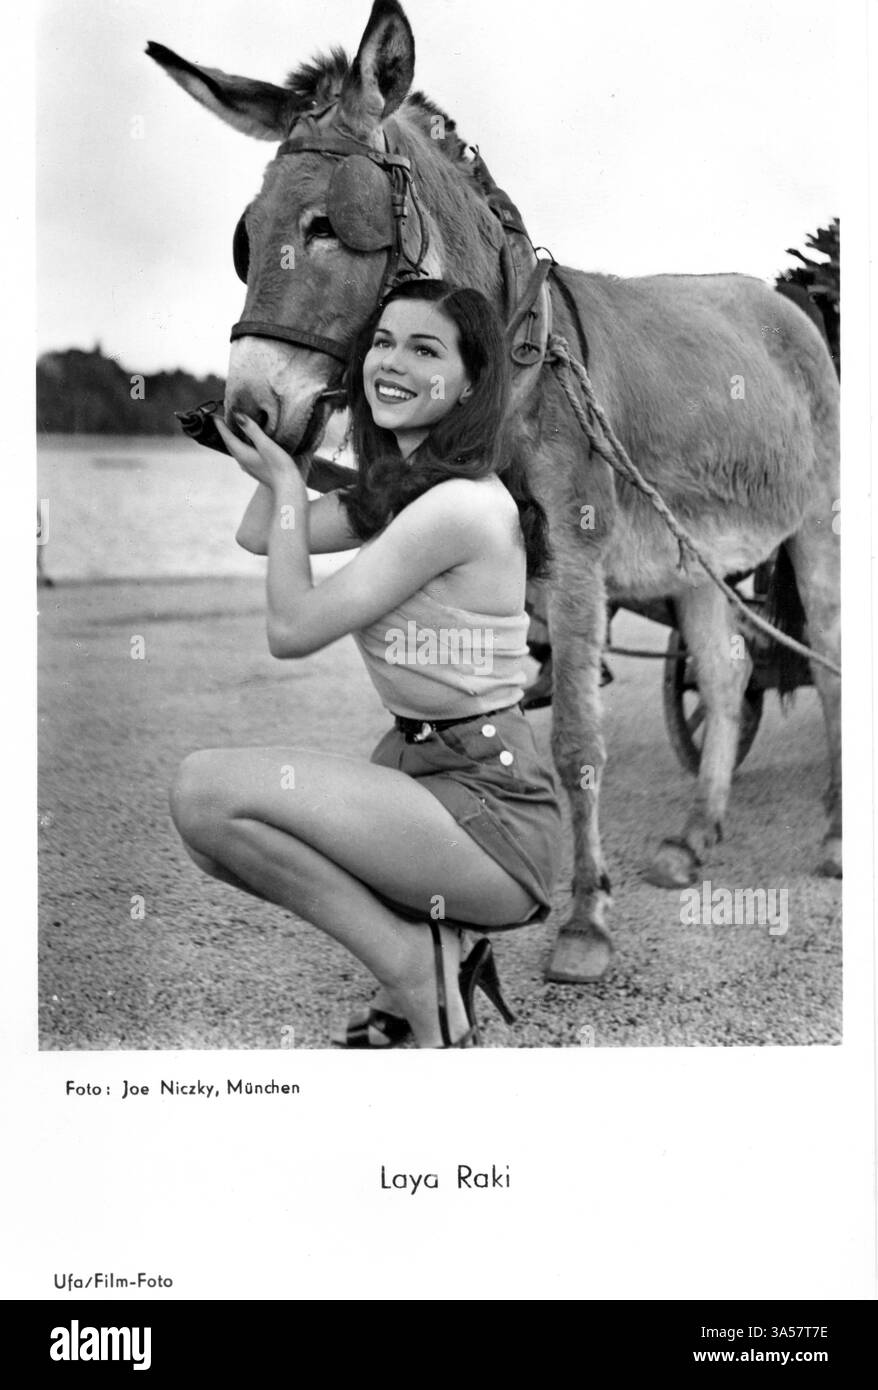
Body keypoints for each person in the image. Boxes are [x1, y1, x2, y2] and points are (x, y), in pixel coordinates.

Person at [170, 279, 563, 1048]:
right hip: (434, 783)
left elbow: (292, 627)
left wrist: (288, 481)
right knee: (208, 834)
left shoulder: (458, 508)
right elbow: (264, 537)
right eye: (382, 342)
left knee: (204, 793)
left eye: (426, 349)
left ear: (472, 383)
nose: (393, 361)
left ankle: (416, 968)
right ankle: (438, 949)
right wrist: (296, 446)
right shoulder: (405, 492)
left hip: (491, 814)